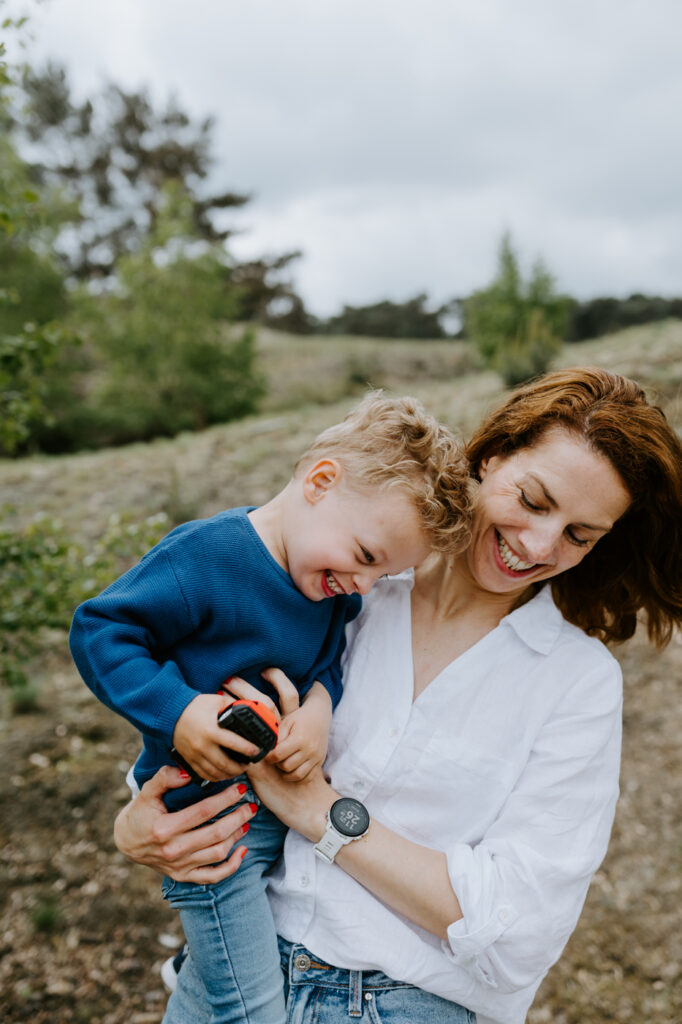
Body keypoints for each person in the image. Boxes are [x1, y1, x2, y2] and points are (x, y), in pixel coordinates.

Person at [113, 368, 682, 1024]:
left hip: (400, 1004)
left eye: (580, 535)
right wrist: (141, 822)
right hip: (229, 974)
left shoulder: (575, 681)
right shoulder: (346, 579)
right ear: (491, 457)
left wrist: (317, 810)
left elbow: (519, 927)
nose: (539, 544)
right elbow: (197, 713)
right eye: (532, 499)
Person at [69, 391, 473, 1024]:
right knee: (251, 1006)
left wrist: (317, 707)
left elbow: (324, 672)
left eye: (381, 576)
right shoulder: (208, 556)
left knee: (227, 981)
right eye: (366, 557)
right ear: (320, 481)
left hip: (277, 827)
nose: (363, 586)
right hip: (206, 828)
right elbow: (101, 631)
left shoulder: (332, 592)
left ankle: (194, 969)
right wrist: (179, 711)